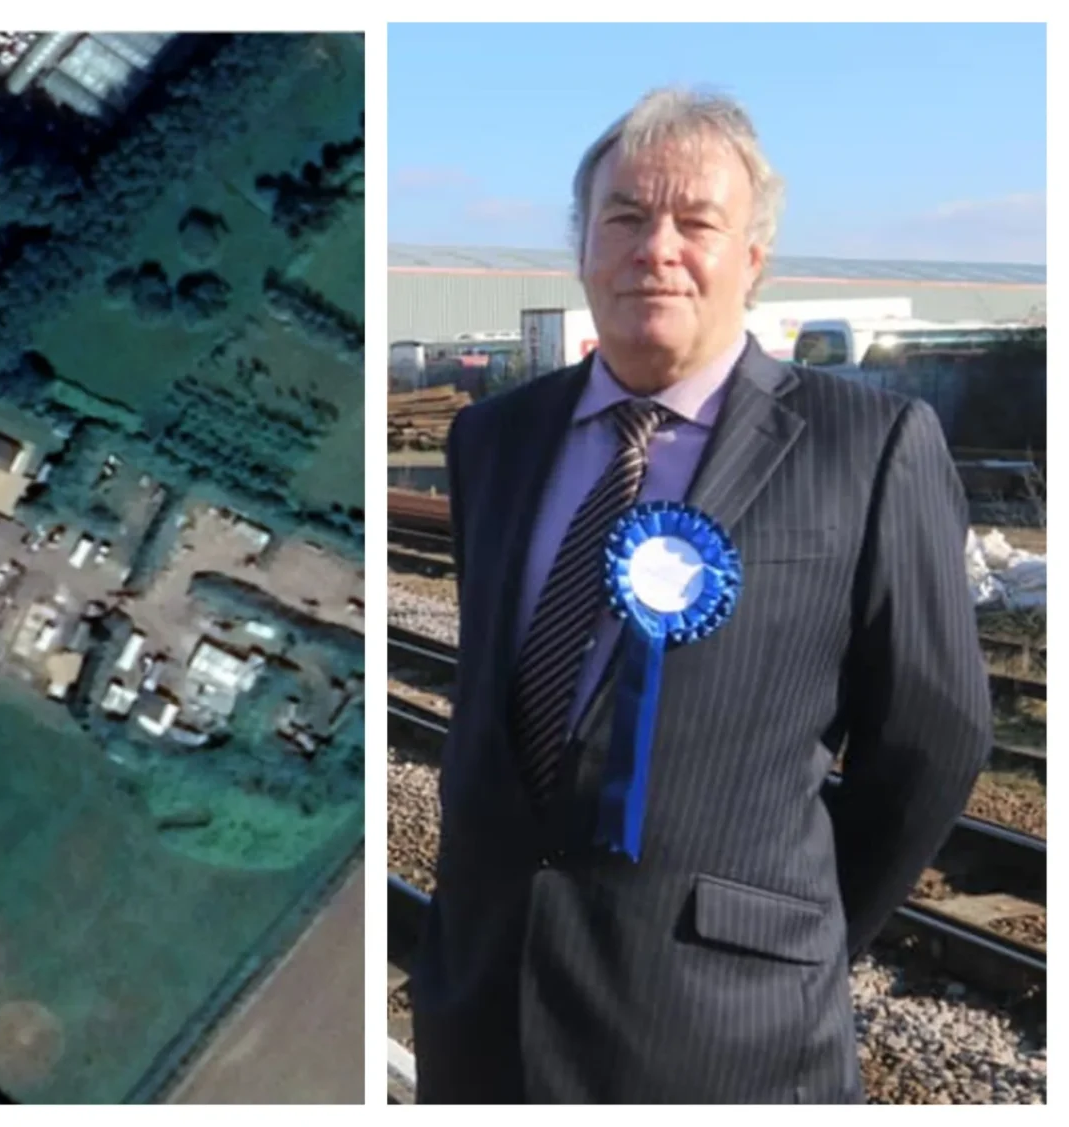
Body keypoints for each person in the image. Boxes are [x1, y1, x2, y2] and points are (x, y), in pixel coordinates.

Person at [409, 87, 993, 1103]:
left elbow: (933, 738)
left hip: (729, 1039)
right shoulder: (492, 439)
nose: (656, 248)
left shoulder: (870, 447)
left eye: (696, 222)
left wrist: (791, 938)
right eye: (625, 217)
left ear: (753, 260)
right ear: (584, 246)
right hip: (485, 1018)